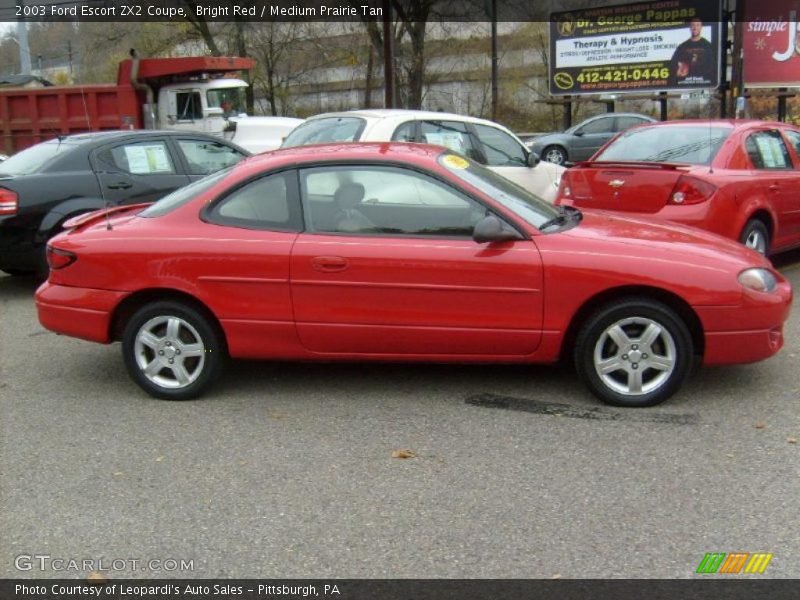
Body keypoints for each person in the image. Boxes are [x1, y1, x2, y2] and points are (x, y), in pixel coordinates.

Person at [670, 18, 715, 84]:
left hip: (704, 82)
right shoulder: (682, 46)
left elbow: (713, 65)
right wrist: (678, 71)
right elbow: (673, 63)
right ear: (690, 27)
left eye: (697, 25)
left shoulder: (707, 45)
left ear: (701, 27)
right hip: (685, 83)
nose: (695, 28)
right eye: (693, 25)